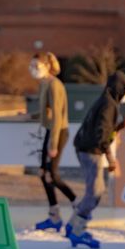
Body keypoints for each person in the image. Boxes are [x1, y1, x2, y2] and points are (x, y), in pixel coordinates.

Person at [66, 71, 125, 249]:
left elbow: (104, 130)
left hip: (86, 148)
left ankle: (73, 225)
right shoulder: (108, 105)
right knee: (95, 192)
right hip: (90, 151)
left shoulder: (106, 102)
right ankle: (78, 230)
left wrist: (118, 127)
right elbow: (101, 134)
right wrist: (111, 159)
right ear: (120, 89)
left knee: (94, 191)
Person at [30, 52, 76, 231]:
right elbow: (45, 112)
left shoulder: (55, 85)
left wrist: (54, 144)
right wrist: (29, 115)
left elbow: (57, 116)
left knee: (52, 175)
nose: (34, 69)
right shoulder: (44, 84)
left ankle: (77, 204)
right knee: (43, 173)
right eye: (32, 65)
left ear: (47, 66)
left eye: (37, 65)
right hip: (50, 130)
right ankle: (54, 215)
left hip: (58, 132)